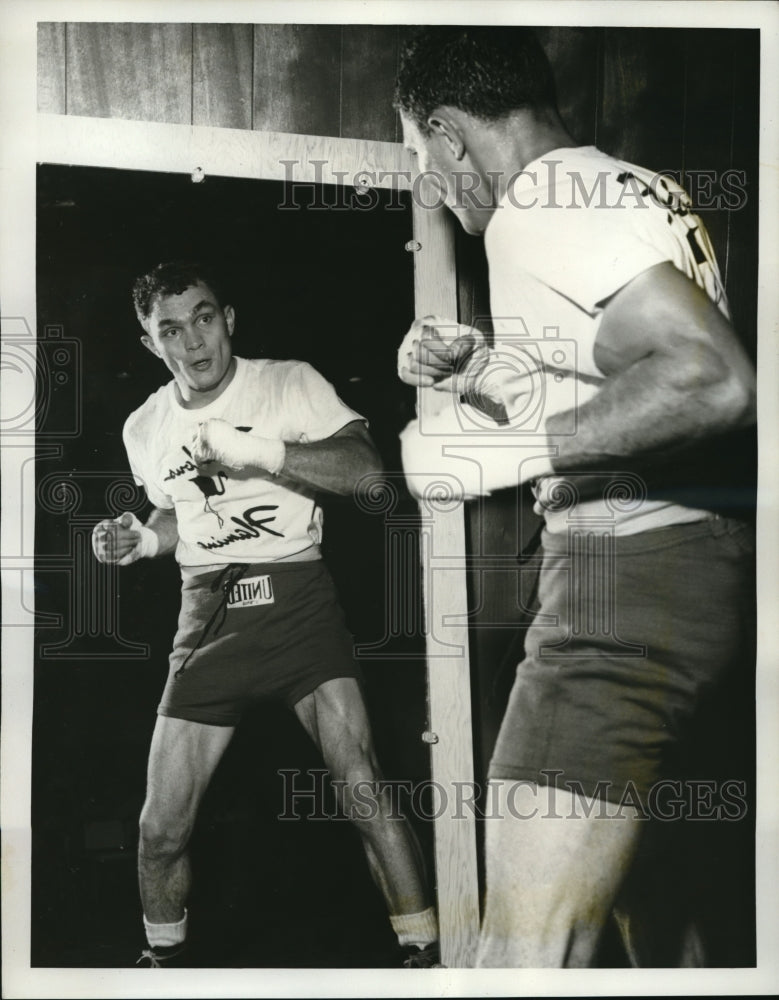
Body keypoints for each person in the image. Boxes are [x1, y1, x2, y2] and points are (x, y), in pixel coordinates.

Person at [394, 27, 757, 968]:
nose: (434, 186)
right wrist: (486, 369)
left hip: (623, 589)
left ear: (448, 133)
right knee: (657, 925)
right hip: (700, 569)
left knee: (517, 957)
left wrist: (491, 454)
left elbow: (713, 380)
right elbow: (628, 379)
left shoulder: (532, 206)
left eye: (422, 157)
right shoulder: (632, 185)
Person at [91, 261, 440, 968]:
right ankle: (163, 963)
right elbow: (176, 510)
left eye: (203, 317)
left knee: (362, 784)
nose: (193, 341)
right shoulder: (144, 426)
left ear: (228, 319)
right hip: (206, 619)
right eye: (170, 330)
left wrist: (259, 452)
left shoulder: (287, 383)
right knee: (159, 828)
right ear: (150, 344)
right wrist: (143, 540)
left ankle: (427, 956)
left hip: (298, 605)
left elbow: (367, 472)